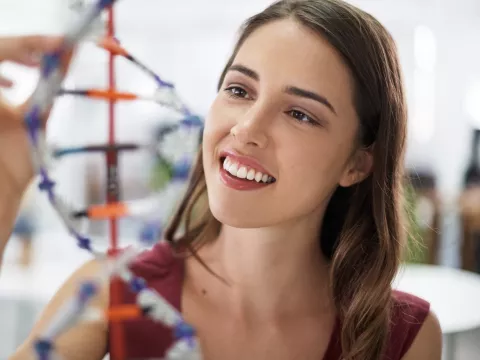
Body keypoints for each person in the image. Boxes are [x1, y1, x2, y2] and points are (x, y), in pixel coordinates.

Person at [0, 1, 443, 359]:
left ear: (358, 164)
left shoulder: (405, 337)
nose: (247, 128)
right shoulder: (110, 293)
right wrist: (5, 180)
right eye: (239, 90)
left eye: (300, 114)